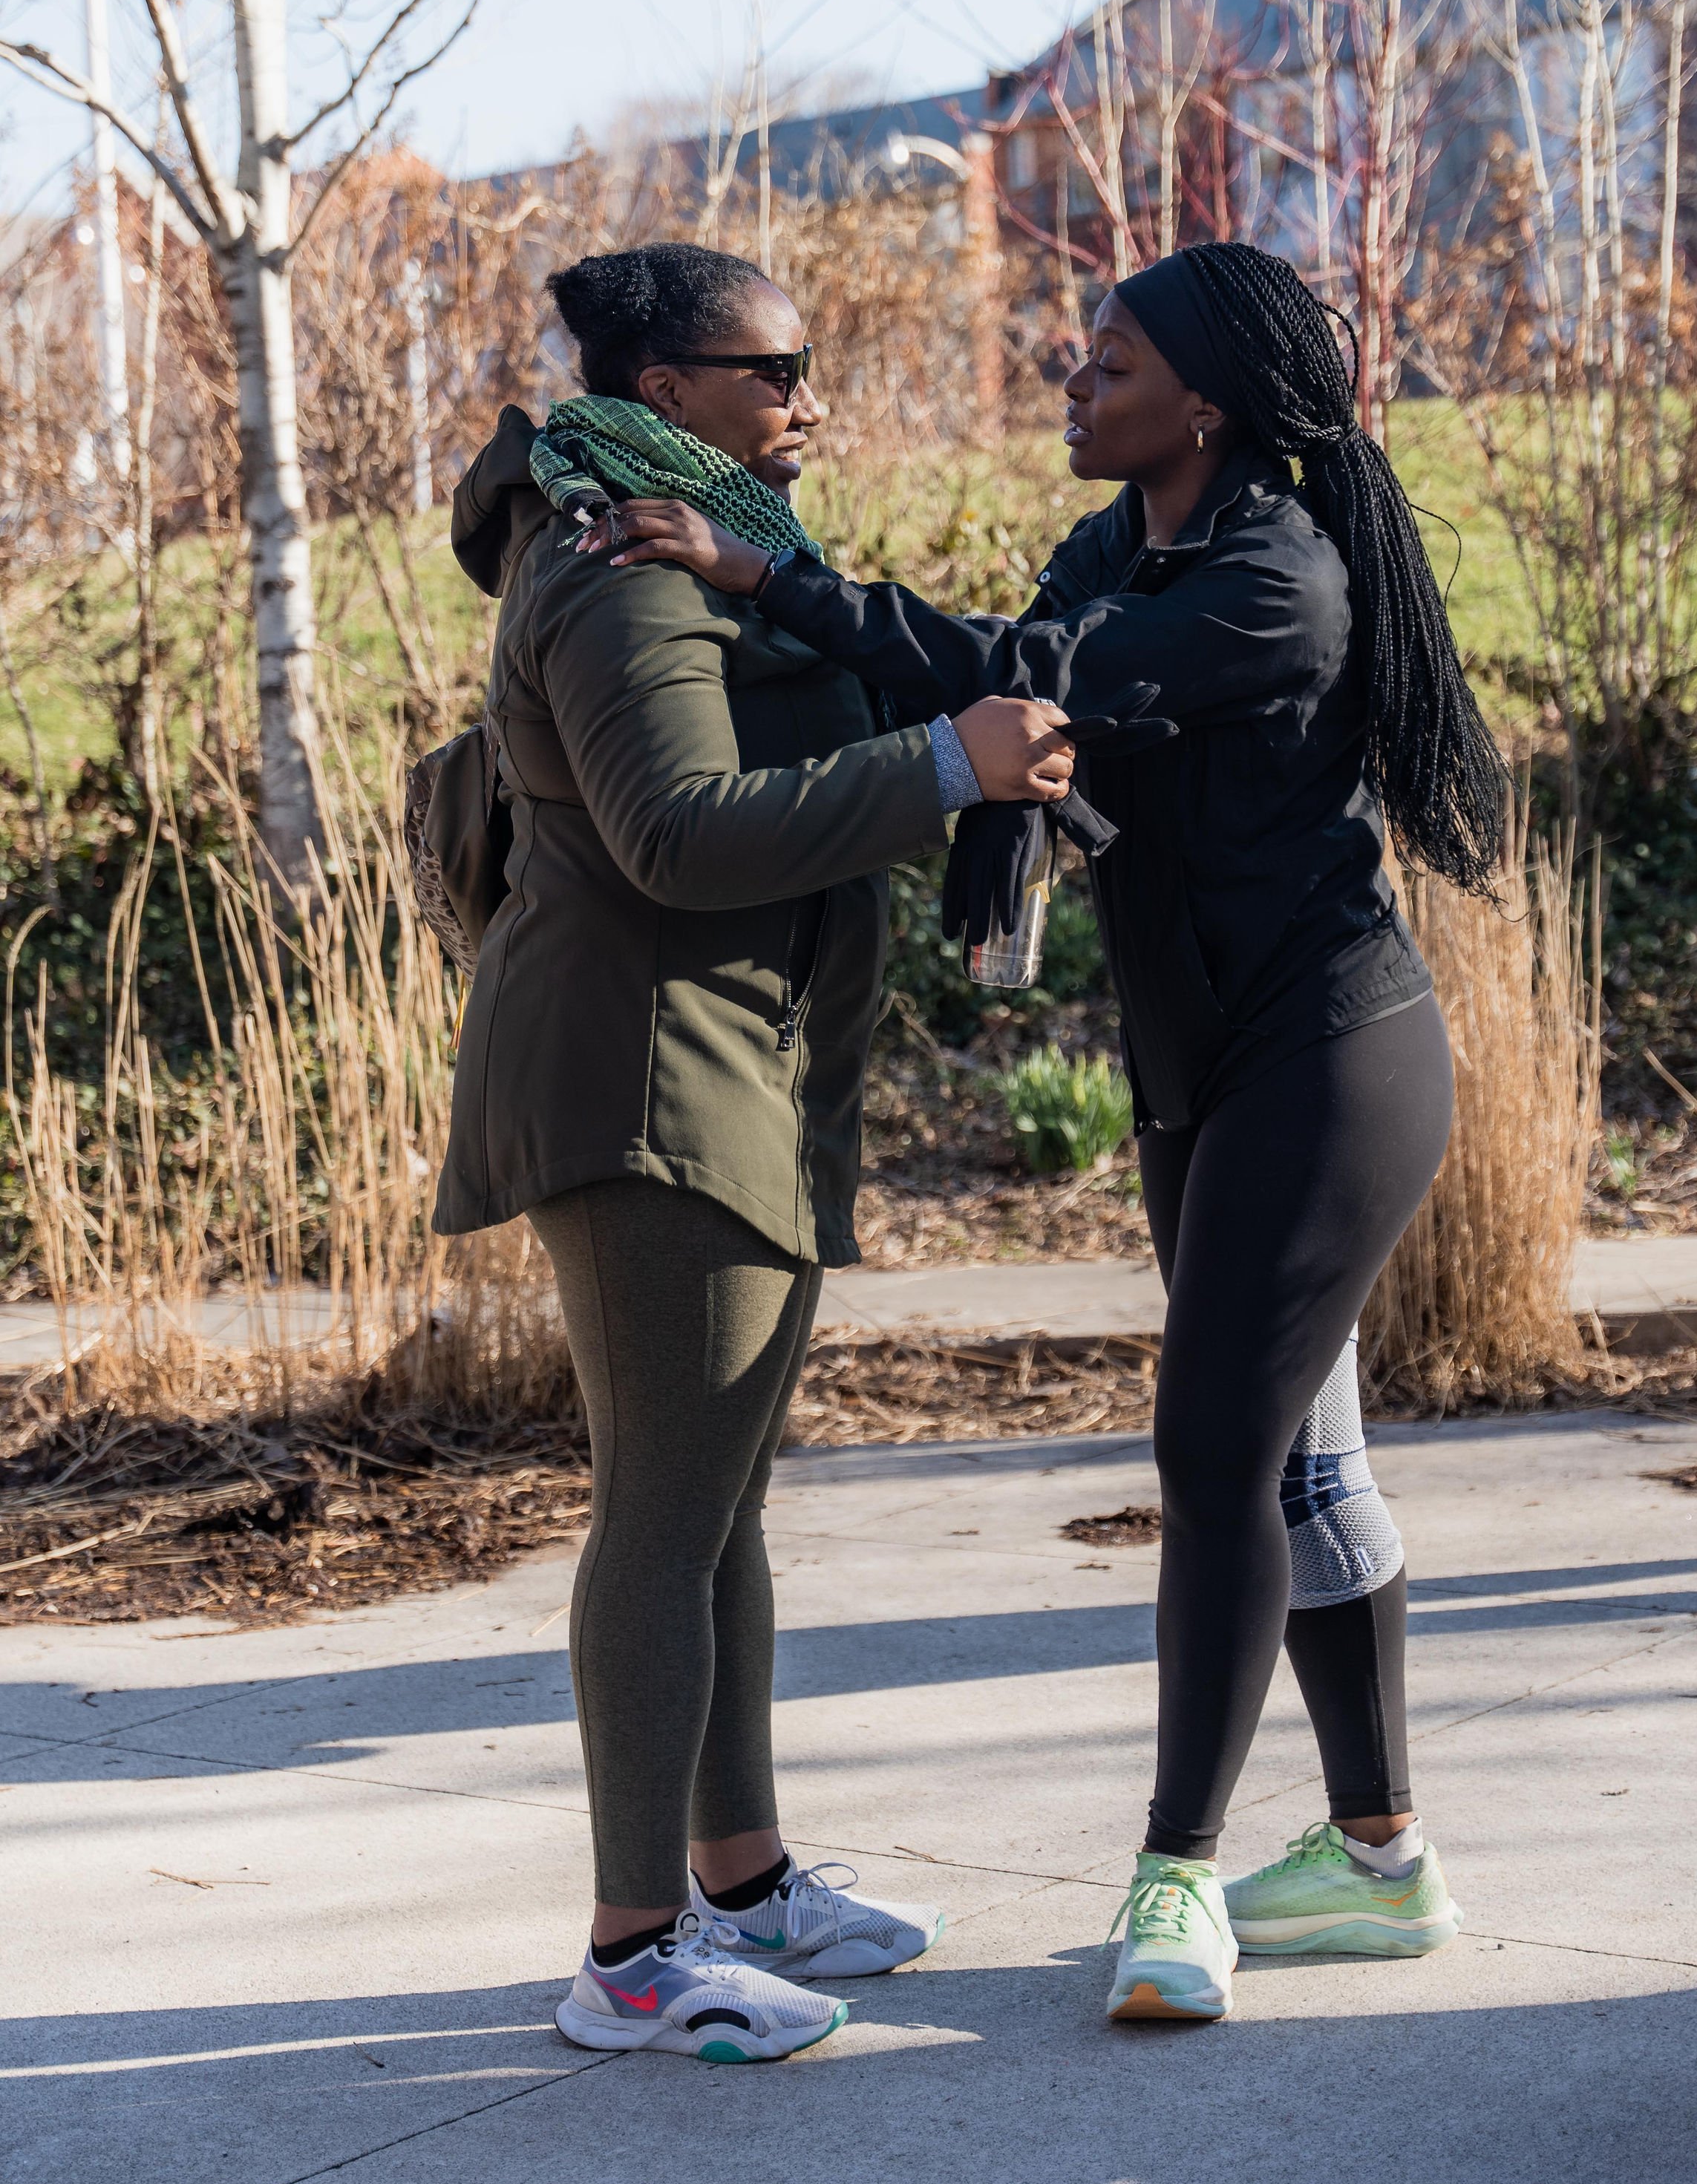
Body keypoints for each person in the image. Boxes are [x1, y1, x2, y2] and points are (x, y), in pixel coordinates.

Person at [604, 238, 1508, 2027]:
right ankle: (1380, 1861)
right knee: (1307, 1466)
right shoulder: (1128, 544)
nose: (1072, 385)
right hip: (1200, 1068)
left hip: (1333, 1056)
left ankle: (1175, 1874)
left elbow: (1028, 674)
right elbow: (993, 681)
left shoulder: (1277, 582)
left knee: (1212, 1456)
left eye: (1107, 362)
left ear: (1211, 400)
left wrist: (764, 568)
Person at [434, 241, 1074, 2063]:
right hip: (652, 1097)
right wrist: (940, 772)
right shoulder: (617, 566)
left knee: (714, 1509)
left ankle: (744, 1878)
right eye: (774, 369)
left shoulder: (697, 540)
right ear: (659, 392)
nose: (809, 401)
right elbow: (678, 838)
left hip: (737, 1079)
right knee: (659, 1519)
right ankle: (636, 1955)